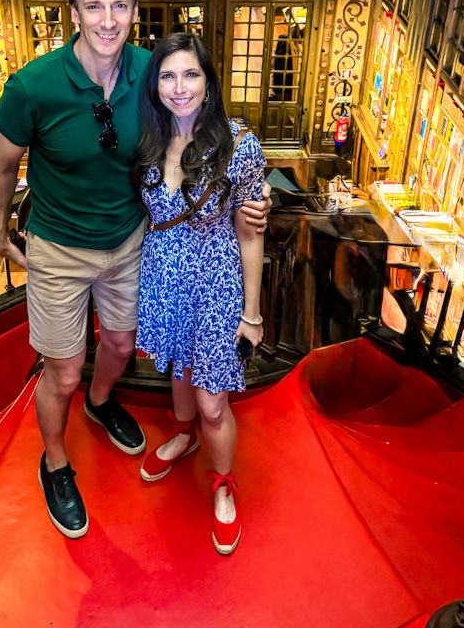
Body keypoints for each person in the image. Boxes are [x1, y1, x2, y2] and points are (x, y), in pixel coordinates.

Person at [0, 0, 270, 541]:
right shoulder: (31, 86)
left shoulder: (152, 73)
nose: (108, 20)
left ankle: (101, 398)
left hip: (132, 243)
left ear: (135, 11)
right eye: (95, 7)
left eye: (119, 6)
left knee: (118, 343)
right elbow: (3, 167)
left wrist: (251, 198)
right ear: (74, 14)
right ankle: (57, 462)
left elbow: (204, 123)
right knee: (60, 371)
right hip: (59, 247)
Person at [133, 33, 265, 556]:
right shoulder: (148, 137)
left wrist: (251, 315)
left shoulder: (238, 145)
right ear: (155, 85)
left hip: (215, 282)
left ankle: (224, 481)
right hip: (164, 276)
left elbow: (251, 230)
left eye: (190, 74)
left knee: (215, 401)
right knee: (180, 372)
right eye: (168, 76)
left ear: (208, 82)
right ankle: (183, 434)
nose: (179, 86)